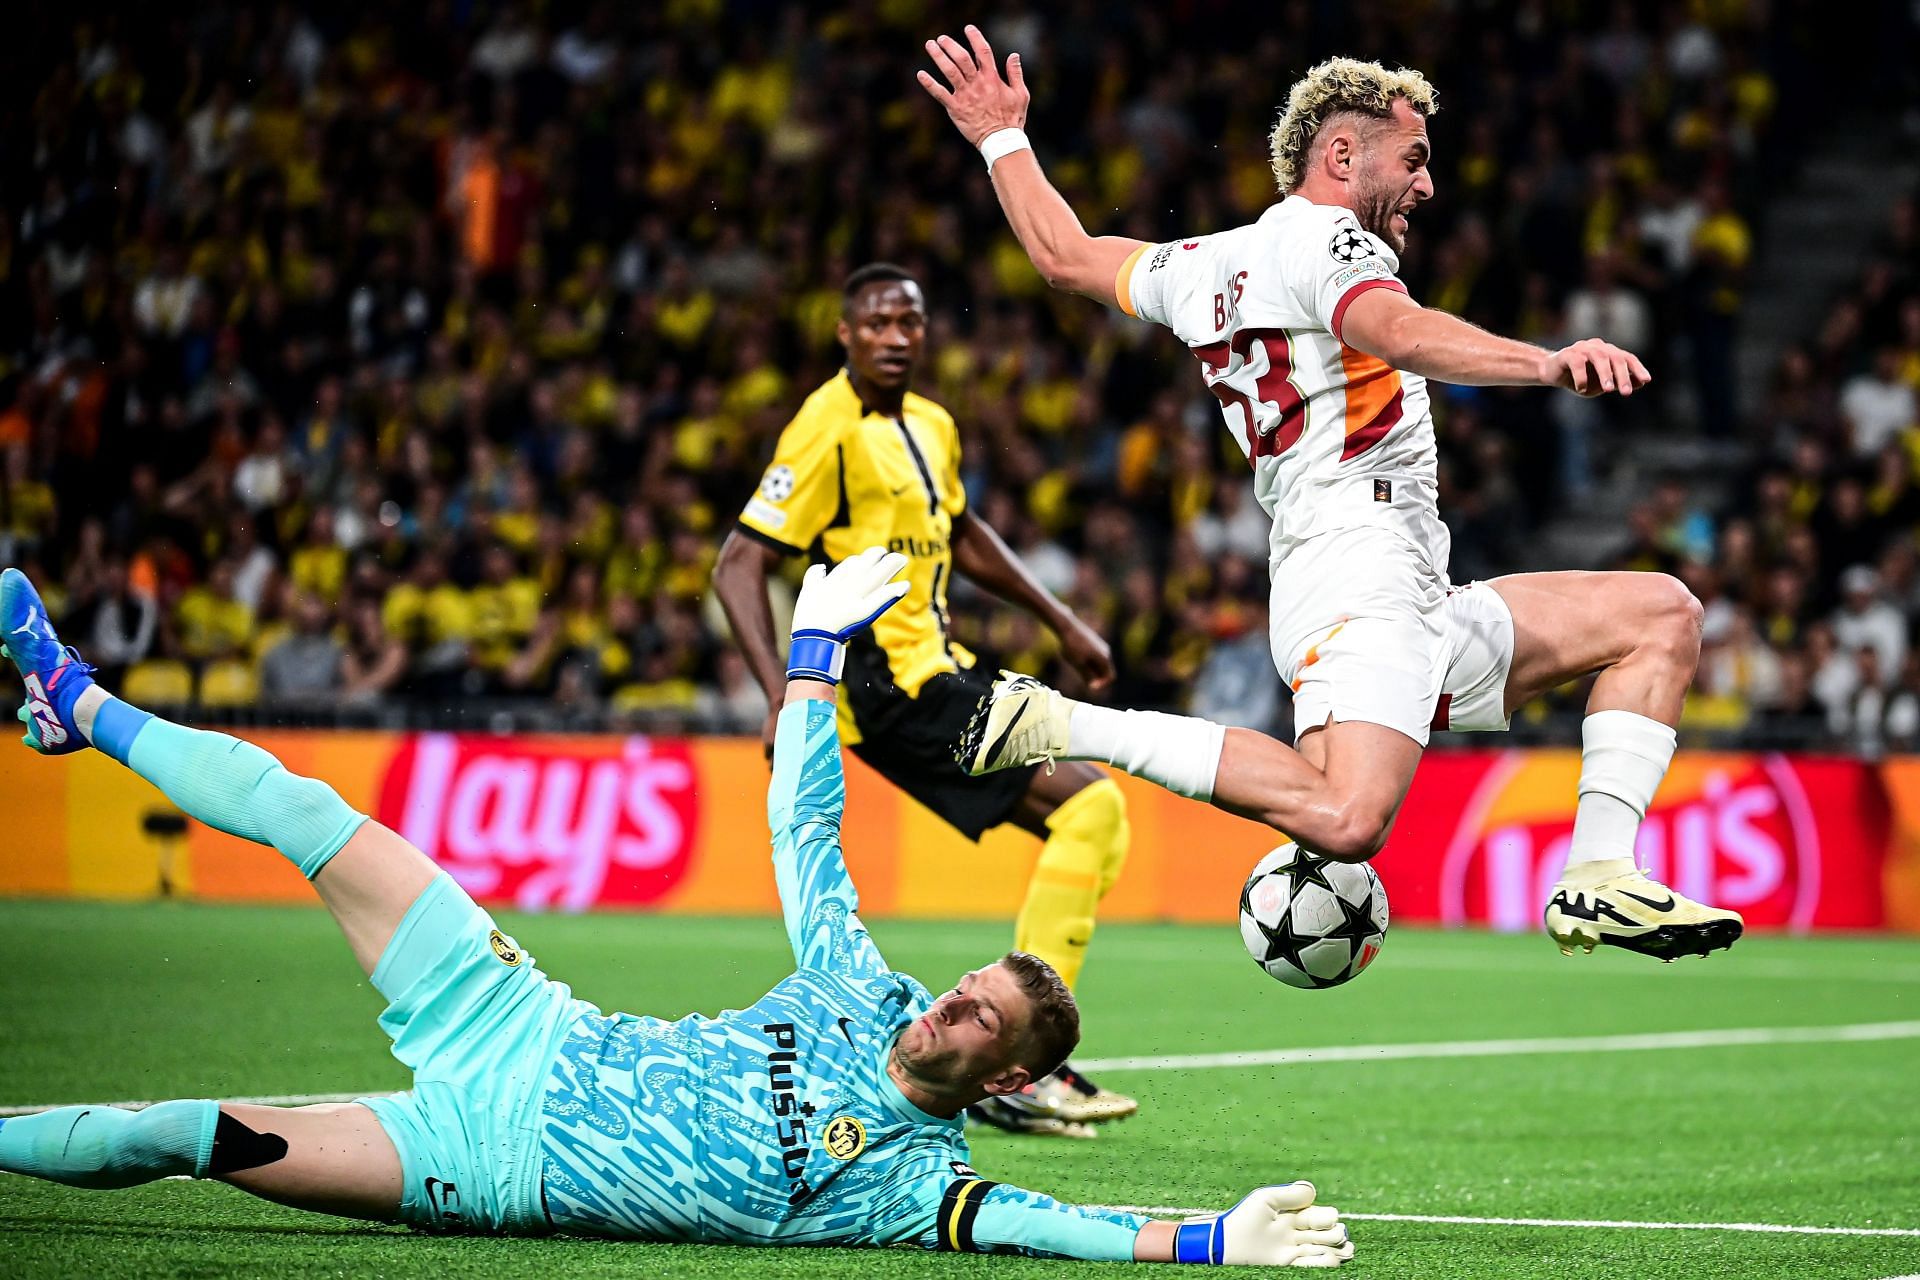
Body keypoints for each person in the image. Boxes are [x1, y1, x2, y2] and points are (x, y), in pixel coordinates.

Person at [0, 559, 1352, 1267]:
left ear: (1001, 1074)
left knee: (191, 1133)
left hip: (490, 1162)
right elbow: (806, 834)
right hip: (522, 1020)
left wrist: (1211, 1240)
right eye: (971, 983)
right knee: (310, 813)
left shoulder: (907, 1188)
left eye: (979, 1016)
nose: (952, 999)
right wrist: (812, 666)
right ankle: (79, 701)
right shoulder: (859, 992)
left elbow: (1057, 1229)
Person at [918, 33, 1742, 961]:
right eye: (1415, 159)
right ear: (1342, 155)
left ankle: (1597, 877)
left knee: (1658, 615)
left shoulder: (1201, 263)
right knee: (1346, 820)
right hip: (1356, 560)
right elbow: (1394, 328)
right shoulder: (1330, 238)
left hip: (1392, 574)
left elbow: (1065, 255)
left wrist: (1001, 140)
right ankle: (1061, 722)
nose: (1428, 186)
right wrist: (1546, 362)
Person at [713, 263, 1137, 1136]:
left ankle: (1007, 1067)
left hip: (944, 671)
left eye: (909, 321)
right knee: (1092, 808)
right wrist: (780, 696)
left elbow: (962, 533)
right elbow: (738, 563)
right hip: (889, 689)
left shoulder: (933, 426)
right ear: (845, 335)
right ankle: (1017, 1071)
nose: (896, 337)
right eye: (877, 323)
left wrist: (1062, 621)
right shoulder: (824, 428)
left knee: (1095, 818)